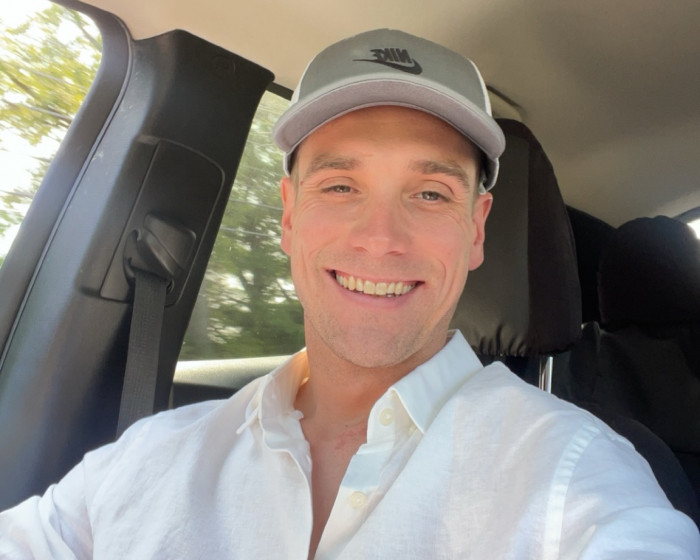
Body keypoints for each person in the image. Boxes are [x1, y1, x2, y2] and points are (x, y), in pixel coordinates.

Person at [1, 28, 698, 559]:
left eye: (430, 193)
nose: (381, 238)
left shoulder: (575, 477)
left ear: (476, 229)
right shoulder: (146, 459)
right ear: (289, 215)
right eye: (340, 186)